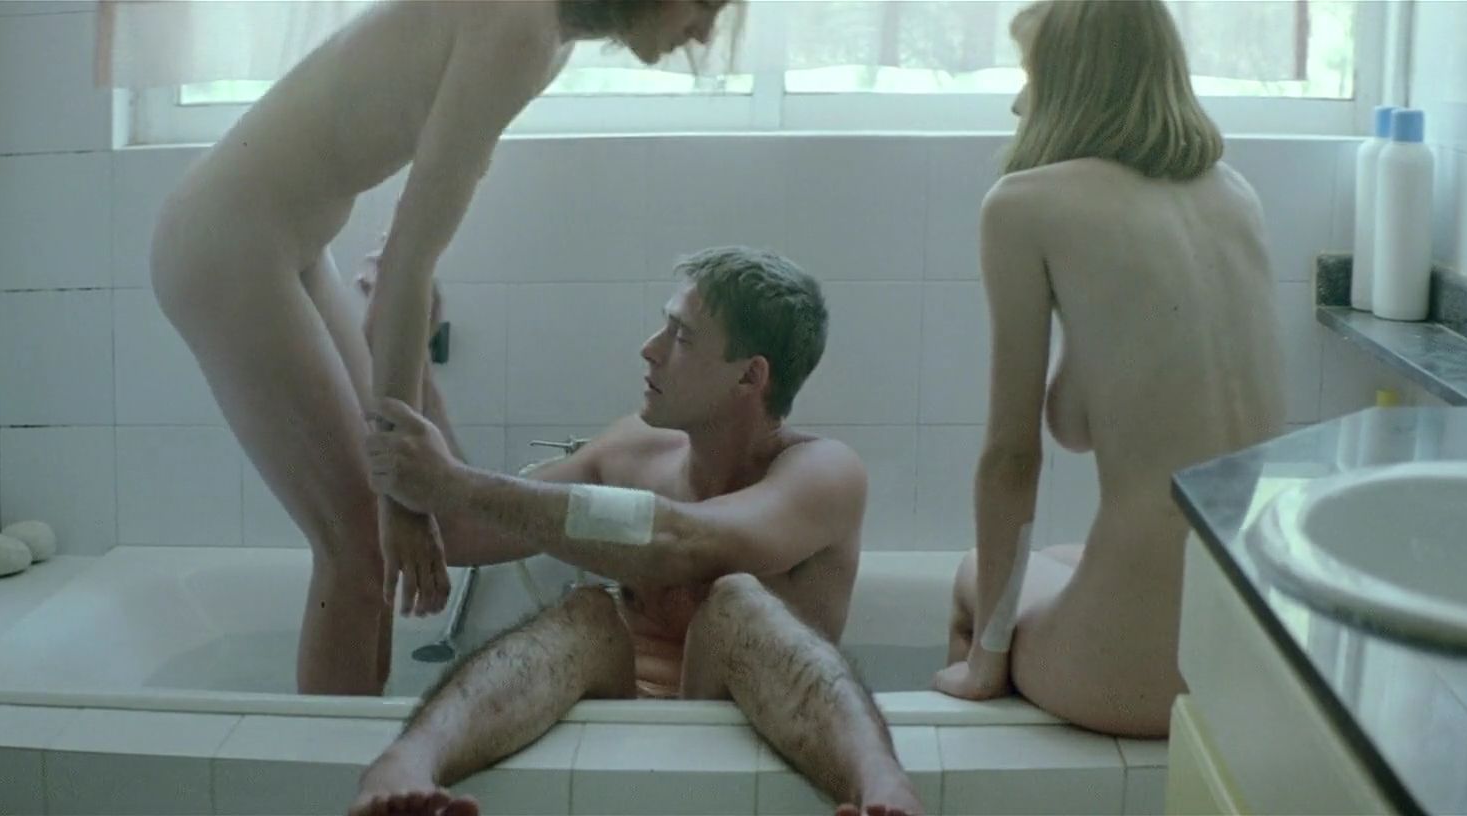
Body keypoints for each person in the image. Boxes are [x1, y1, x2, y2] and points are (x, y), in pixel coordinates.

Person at [148, 0, 735, 695]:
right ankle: (330, 760)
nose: (705, 32)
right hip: (229, 240)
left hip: (279, 238)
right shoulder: (521, 26)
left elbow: (409, 246)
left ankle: (364, 748)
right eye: (706, 3)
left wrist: (404, 300)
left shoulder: (547, 40)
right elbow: (404, 270)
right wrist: (403, 501)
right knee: (359, 547)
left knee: (368, 546)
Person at [349, 247, 924, 816]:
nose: (650, 349)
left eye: (681, 336)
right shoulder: (633, 449)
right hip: (619, 721)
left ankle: (879, 786)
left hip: (749, 726)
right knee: (588, 612)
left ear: (750, 376)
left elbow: (682, 545)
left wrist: (456, 484)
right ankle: (409, 761)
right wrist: (411, 352)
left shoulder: (823, 472)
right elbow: (460, 529)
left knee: (736, 603)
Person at [932, 0, 1288, 738]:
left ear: (1075, 81)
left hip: (1138, 675)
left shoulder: (1024, 203)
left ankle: (973, 735)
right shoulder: (1237, 194)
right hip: (1254, 653)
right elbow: (1084, 420)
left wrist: (989, 658)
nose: (1019, 102)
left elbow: (1012, 457)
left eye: (1032, 74)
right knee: (1063, 557)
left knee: (973, 575)